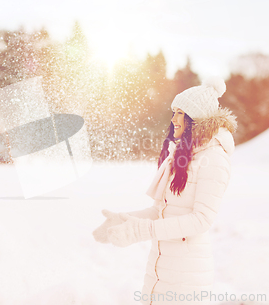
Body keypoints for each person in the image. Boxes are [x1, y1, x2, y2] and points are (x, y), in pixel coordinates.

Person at [93, 77, 237, 304]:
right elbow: (162, 211)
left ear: (195, 118)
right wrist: (122, 220)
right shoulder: (183, 156)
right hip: (161, 268)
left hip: (186, 275)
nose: (173, 119)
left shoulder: (214, 158)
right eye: (174, 112)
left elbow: (202, 220)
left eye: (180, 113)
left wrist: (141, 231)